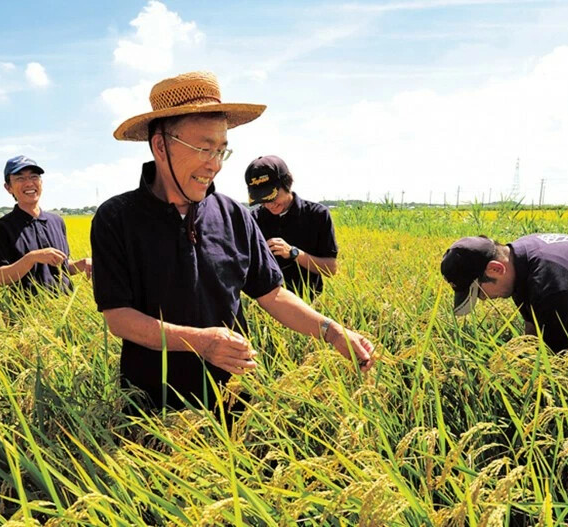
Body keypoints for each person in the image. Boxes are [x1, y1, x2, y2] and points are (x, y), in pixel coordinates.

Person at [91, 71, 376, 413]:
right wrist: (200, 342)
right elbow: (118, 317)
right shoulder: (117, 218)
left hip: (232, 401)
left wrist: (332, 332)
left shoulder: (233, 215)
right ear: (160, 146)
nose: (214, 165)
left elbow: (273, 293)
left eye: (221, 151)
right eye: (203, 149)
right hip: (151, 408)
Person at [0, 155, 91, 294]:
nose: (29, 183)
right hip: (27, 312)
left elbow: (62, 267)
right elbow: (1, 278)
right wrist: (31, 258)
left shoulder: (56, 221)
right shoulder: (1, 227)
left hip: (65, 306)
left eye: (34, 177)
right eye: (20, 178)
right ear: (8, 188)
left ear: (41, 182)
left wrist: (81, 264)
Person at [246, 155, 338, 298]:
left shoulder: (317, 215)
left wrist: (293, 253)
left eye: (272, 197)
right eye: (262, 200)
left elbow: (330, 269)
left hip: (310, 302)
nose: (269, 205)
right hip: (267, 305)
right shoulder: (254, 219)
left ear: (287, 183)